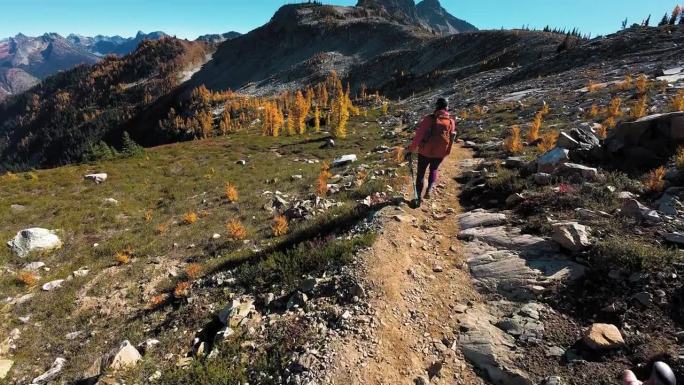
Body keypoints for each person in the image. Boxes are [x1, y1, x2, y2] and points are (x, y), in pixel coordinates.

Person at [405, 97, 457, 201]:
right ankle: (429, 189)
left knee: (421, 173)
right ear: (447, 107)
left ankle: (418, 197)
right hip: (440, 153)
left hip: (425, 152)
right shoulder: (451, 121)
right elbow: (451, 137)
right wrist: (447, 152)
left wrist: (411, 150)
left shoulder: (429, 119)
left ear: (437, 107)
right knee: (434, 169)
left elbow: (419, 136)